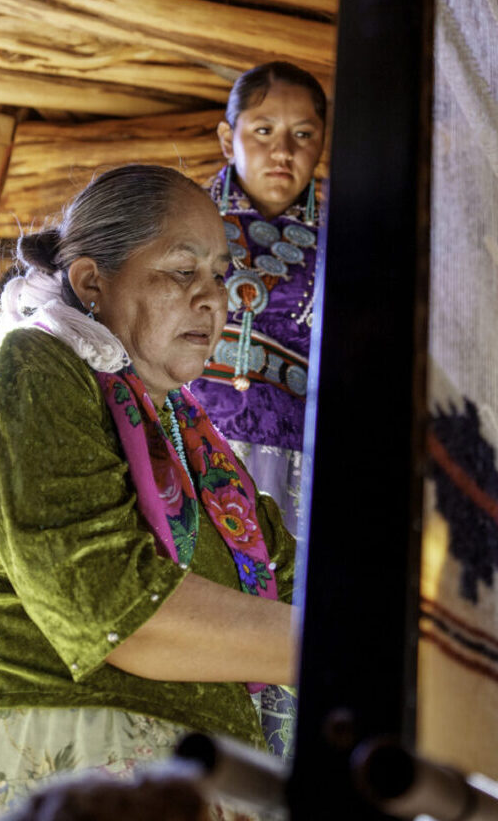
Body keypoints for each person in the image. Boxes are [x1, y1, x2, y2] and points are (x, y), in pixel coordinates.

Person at [0, 164, 297, 815]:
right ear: (91, 281)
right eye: (183, 271)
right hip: (29, 764)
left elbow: (294, 585)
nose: (214, 299)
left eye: (219, 274)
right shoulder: (28, 368)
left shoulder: (200, 452)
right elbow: (112, 607)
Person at [186, 61, 327, 758]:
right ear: (226, 137)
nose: (282, 151)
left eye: (303, 134)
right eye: (263, 130)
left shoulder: (346, 243)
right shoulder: (178, 226)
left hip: (297, 475)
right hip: (183, 452)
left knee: (282, 618)